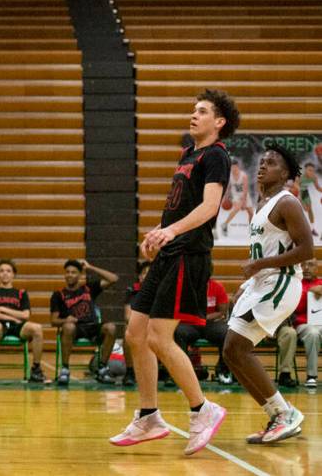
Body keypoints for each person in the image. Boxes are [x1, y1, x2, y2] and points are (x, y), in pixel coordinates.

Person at [110, 89, 239, 455]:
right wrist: (157, 231)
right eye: (193, 110)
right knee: (135, 333)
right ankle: (149, 416)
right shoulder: (189, 154)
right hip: (169, 251)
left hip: (188, 255)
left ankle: (203, 409)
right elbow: (178, 207)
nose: (193, 115)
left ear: (219, 122)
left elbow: (210, 207)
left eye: (202, 111)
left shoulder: (216, 156)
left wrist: (171, 232)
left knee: (159, 338)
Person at [223, 143, 313, 444]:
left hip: (282, 283)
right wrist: (246, 285)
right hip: (263, 283)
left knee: (238, 346)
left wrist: (260, 264)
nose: (262, 166)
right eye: (262, 162)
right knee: (230, 351)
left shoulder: (287, 203)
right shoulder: (263, 203)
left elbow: (307, 250)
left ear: (285, 173)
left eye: (271, 163)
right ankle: (279, 414)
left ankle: (285, 414)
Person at [50, 259, 117, 385]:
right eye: (67, 272)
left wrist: (91, 267)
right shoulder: (58, 295)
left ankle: (102, 368)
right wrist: (65, 320)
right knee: (68, 327)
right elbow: (53, 321)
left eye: (74, 272)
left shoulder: (89, 288)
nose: (70, 275)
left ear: (79, 275)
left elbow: (113, 279)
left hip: (92, 326)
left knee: (111, 327)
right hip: (76, 329)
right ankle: (65, 369)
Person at [0, 259, 45, 383]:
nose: (5, 273)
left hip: (18, 327)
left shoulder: (21, 293)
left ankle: (36, 369)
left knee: (37, 328)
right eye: (1, 271)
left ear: (13, 274)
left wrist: (2, 308)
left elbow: (26, 315)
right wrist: (12, 317)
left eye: (8, 271)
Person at [173, 275, 231, 384]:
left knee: (226, 333)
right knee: (178, 332)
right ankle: (183, 372)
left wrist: (204, 318)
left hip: (210, 323)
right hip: (191, 323)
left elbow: (222, 311)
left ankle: (222, 370)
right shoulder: (186, 288)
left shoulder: (217, 287)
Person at [276, 258, 321, 388]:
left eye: (310, 265)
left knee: (315, 331)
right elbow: (296, 307)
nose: (306, 268)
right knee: (313, 333)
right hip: (303, 325)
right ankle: (311, 376)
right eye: (303, 265)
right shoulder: (295, 284)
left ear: (317, 269)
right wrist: (310, 290)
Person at [122, 260, 151, 387]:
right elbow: (128, 316)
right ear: (139, 276)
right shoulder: (132, 291)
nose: (147, 276)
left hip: (155, 327)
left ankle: (167, 372)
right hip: (139, 326)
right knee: (128, 333)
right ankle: (129, 372)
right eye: (144, 273)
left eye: (150, 273)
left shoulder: (161, 291)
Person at [220, 159, 253, 236]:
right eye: (232, 167)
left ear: (237, 167)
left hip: (244, 195)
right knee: (237, 208)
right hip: (235, 195)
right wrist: (225, 197)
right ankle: (225, 224)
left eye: (234, 167)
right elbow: (228, 187)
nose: (233, 169)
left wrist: (244, 202)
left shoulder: (243, 175)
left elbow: (245, 189)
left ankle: (251, 228)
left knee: (251, 213)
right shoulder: (230, 176)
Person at [299, 163, 320, 236]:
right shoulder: (300, 177)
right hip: (296, 193)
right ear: (305, 170)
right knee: (302, 210)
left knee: (310, 210)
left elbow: (318, 188)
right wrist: (302, 202)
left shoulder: (314, 177)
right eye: (309, 170)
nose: (311, 172)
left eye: (313, 171)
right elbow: (297, 191)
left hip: (305, 192)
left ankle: (312, 229)